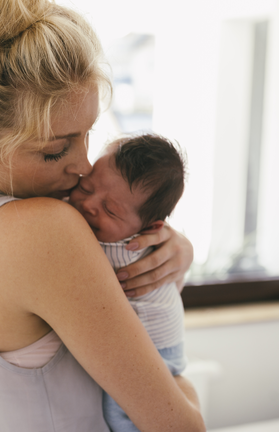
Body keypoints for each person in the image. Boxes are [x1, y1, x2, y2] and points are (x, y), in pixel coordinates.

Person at [0, 0, 205, 430]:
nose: (84, 166)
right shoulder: (45, 228)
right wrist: (184, 388)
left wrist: (164, 247)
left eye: (88, 135)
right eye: (55, 150)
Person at [67, 134, 188, 431]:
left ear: (150, 228)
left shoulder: (118, 250)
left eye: (111, 211)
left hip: (153, 349)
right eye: (85, 186)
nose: (89, 205)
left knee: (124, 417)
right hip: (164, 341)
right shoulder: (125, 229)